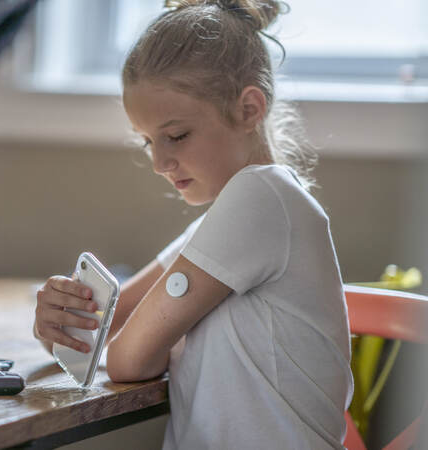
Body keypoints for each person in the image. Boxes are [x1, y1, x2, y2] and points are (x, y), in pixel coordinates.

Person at [33, 0, 354, 448]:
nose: (160, 162)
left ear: (248, 109)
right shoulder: (225, 219)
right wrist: (58, 325)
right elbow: (105, 327)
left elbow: (128, 359)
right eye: (147, 141)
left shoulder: (262, 198)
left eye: (176, 136)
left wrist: (86, 337)